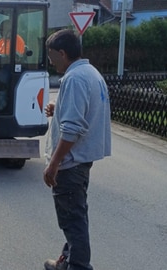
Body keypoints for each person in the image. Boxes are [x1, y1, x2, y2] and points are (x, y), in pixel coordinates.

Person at [42, 29, 111, 270]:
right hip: (82, 160)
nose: (50, 61)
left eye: (52, 56)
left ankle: (78, 266)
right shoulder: (90, 73)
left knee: (73, 221)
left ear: (62, 53)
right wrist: (58, 109)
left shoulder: (75, 79)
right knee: (75, 215)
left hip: (69, 163)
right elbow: (82, 113)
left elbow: (72, 129)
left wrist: (54, 164)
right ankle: (68, 260)